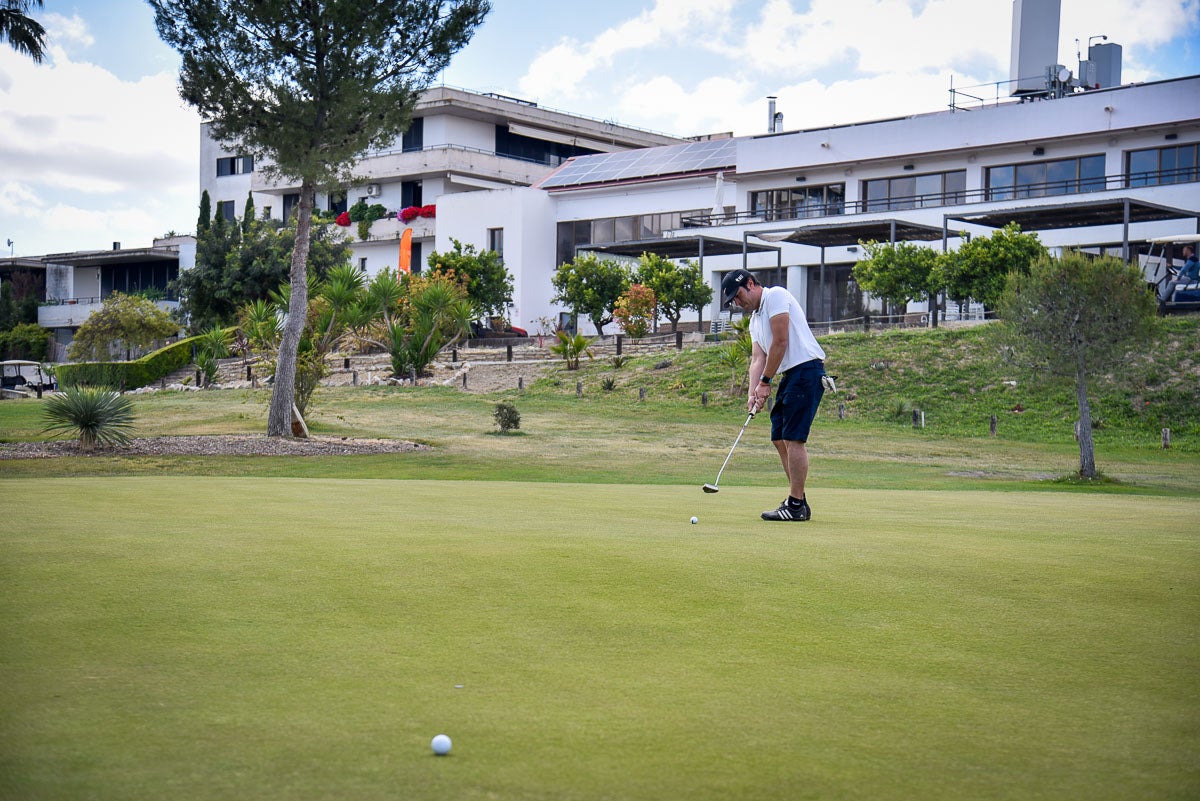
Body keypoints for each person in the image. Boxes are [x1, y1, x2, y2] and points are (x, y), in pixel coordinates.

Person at [720, 269, 826, 522]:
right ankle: (798, 500)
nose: (737, 303)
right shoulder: (755, 319)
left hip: (806, 370)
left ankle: (795, 504)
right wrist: (753, 392)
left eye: (738, 296)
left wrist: (766, 382)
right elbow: (759, 358)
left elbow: (780, 341)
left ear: (750, 283)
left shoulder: (775, 296)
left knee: (793, 439)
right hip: (791, 376)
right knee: (779, 437)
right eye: (733, 300)